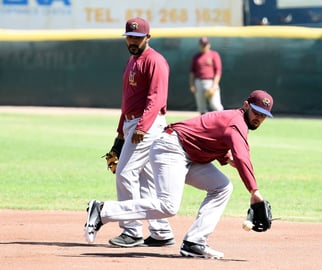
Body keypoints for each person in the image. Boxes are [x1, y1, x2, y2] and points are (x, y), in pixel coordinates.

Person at [85, 90, 274, 259]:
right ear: (246, 105)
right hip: (171, 148)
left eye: (263, 116)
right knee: (168, 205)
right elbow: (242, 156)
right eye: (256, 112)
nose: (258, 118)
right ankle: (102, 211)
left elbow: (205, 133)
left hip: (186, 154)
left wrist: (225, 158)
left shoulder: (234, 120)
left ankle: (194, 242)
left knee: (222, 186)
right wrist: (254, 191)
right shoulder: (237, 122)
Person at [105, 17, 175, 248]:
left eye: (137, 37)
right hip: (132, 124)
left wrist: (142, 127)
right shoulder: (132, 61)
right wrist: (120, 134)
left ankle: (132, 230)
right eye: (129, 37)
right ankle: (161, 231)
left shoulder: (155, 61)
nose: (133, 41)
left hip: (147, 125)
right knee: (146, 180)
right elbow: (128, 102)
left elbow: (156, 98)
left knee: (124, 173)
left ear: (148, 37)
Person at [189, 37, 224, 114]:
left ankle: (223, 121)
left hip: (210, 82)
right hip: (198, 82)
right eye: (202, 44)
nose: (204, 46)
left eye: (205, 44)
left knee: (215, 105)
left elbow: (218, 71)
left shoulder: (214, 54)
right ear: (199, 45)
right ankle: (203, 124)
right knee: (201, 107)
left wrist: (215, 85)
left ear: (209, 45)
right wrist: (192, 84)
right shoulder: (196, 57)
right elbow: (192, 72)